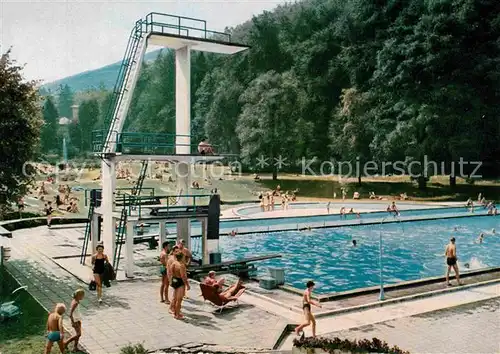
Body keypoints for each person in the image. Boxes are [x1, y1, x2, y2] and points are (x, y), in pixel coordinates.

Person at [169, 253, 190, 319]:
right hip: (180, 281)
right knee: (179, 299)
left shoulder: (174, 263)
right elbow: (183, 276)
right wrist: (187, 285)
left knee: (175, 298)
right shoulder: (181, 265)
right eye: (184, 257)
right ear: (182, 257)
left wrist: (171, 280)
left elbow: (171, 272)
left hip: (174, 280)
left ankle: (175, 312)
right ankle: (177, 315)